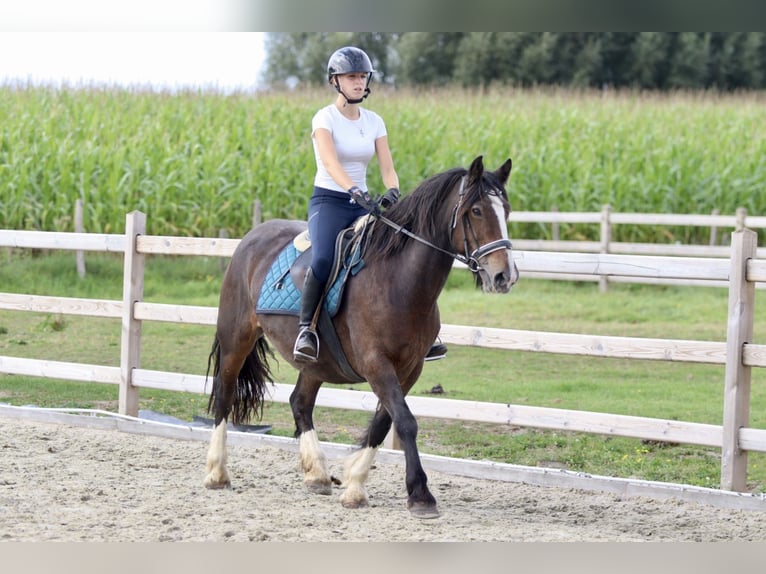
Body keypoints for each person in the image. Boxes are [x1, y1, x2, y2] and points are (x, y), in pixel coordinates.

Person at [293, 46, 447, 363]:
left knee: (401, 253)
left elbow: (387, 167)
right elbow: (330, 163)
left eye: (363, 76)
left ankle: (425, 331)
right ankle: (306, 329)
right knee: (322, 259)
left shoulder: (375, 121)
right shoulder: (324, 118)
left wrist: (391, 190)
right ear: (335, 81)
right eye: (352, 77)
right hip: (330, 201)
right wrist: (353, 189)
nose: (359, 82)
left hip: (364, 203)